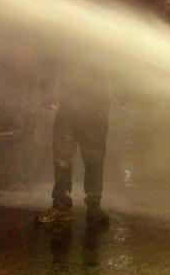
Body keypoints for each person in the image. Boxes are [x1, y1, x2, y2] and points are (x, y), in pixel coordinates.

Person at [36, 71, 114, 226]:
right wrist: (48, 93)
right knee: (63, 157)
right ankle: (62, 206)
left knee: (93, 159)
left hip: (94, 110)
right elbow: (52, 62)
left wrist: (123, 92)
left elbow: (118, 61)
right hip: (71, 108)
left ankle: (92, 206)